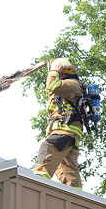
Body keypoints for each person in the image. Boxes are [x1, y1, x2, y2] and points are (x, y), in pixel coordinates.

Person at [33, 58, 84, 188]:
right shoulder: (63, 90)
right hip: (67, 133)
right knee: (68, 173)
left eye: (57, 73)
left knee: (47, 151)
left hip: (65, 131)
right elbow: (52, 91)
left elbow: (52, 85)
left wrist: (53, 71)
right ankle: (77, 200)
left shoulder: (72, 84)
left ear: (62, 73)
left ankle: (34, 185)